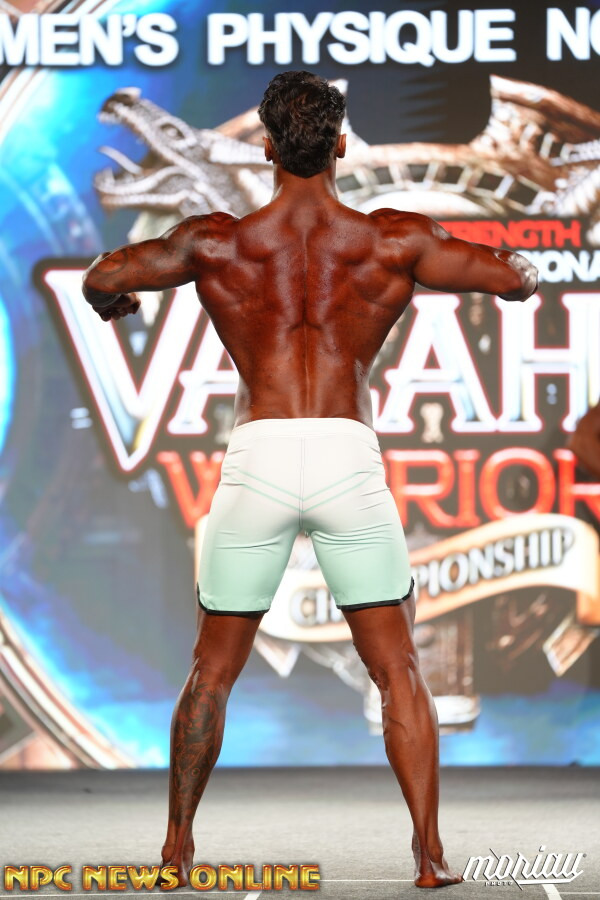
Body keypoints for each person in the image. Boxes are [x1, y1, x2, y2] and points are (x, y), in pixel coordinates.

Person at [82, 71, 538, 890]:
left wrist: (116, 306)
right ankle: (429, 856)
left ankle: (176, 849)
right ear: (341, 145)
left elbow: (104, 277)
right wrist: (523, 269)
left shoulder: (216, 242)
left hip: (258, 458)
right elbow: (512, 279)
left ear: (265, 146)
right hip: (343, 460)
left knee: (212, 669)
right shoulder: (391, 240)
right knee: (398, 668)